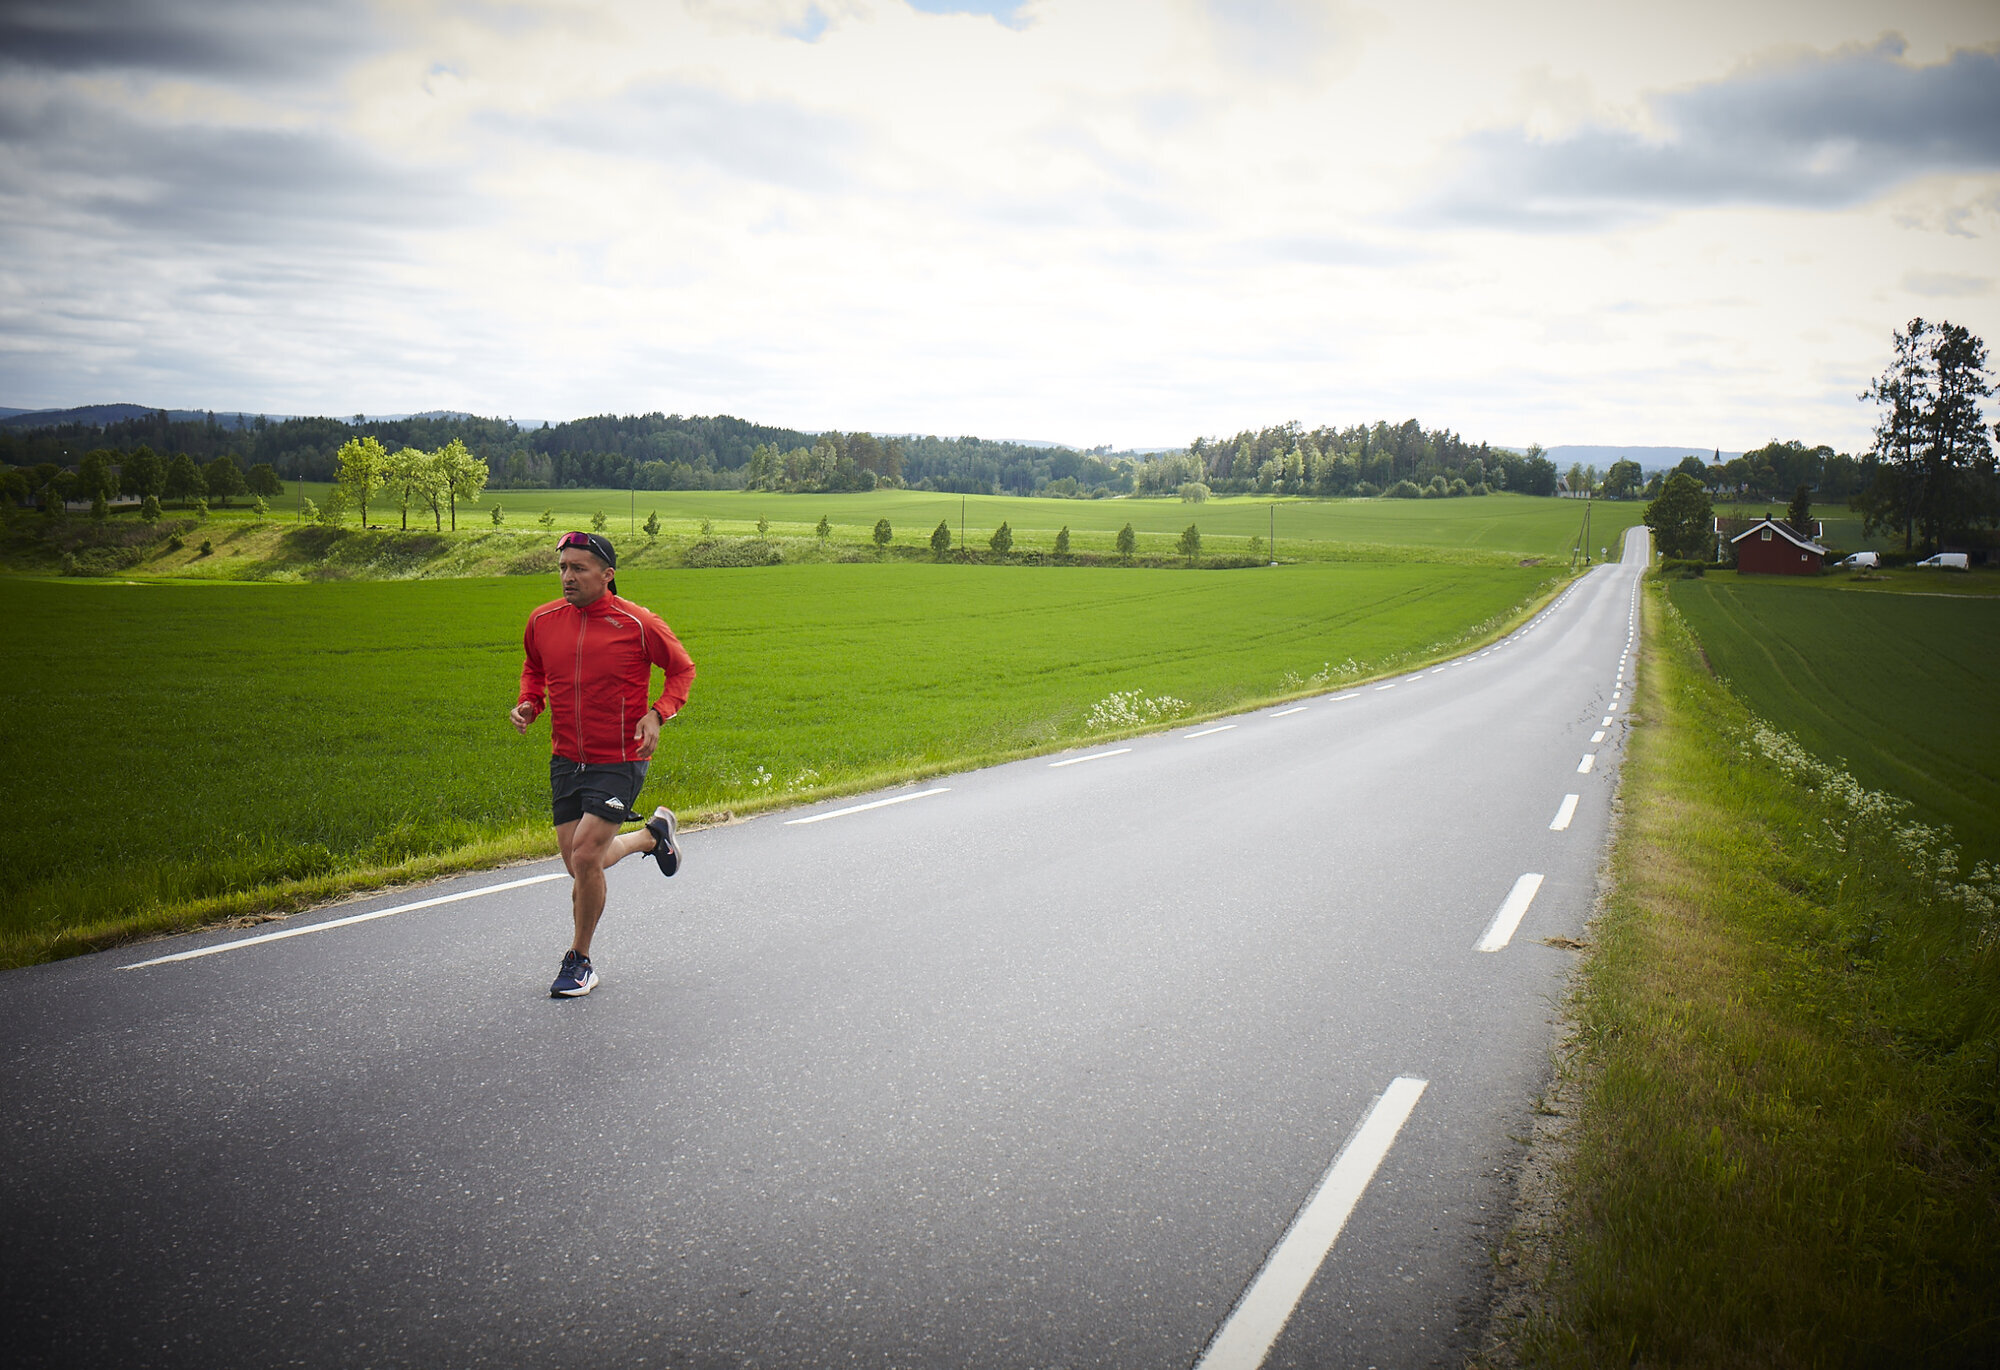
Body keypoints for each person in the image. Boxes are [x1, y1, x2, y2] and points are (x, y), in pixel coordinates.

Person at [510, 530, 696, 997]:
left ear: (607, 575)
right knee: (577, 864)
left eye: (578, 568)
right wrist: (530, 703)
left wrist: (658, 713)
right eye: (562, 568)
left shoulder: (637, 623)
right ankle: (652, 837)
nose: (567, 577)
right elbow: (534, 668)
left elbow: (682, 669)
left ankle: (580, 960)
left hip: (620, 755)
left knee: (587, 854)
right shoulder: (542, 621)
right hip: (566, 756)